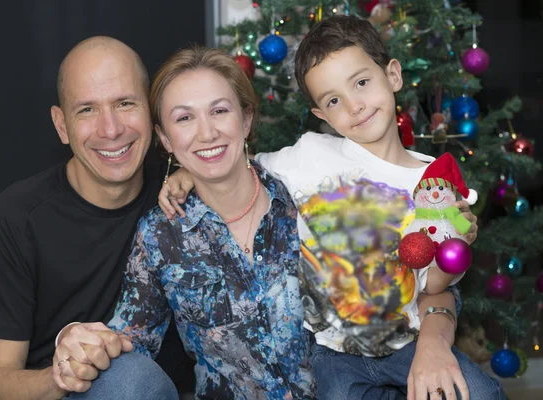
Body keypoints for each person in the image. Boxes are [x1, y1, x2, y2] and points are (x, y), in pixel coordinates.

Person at [159, 16, 503, 400]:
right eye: (334, 100)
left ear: (392, 75)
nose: (354, 106)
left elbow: (437, 289)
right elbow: (236, 167)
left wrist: (452, 249)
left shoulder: (432, 186)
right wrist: (187, 175)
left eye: (361, 82)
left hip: (406, 343)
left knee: (476, 392)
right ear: (322, 115)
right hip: (330, 352)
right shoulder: (309, 155)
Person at [53, 46, 317, 399]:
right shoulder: (161, 234)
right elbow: (130, 342)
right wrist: (73, 339)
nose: (206, 133)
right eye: (184, 119)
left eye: (219, 111)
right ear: (165, 139)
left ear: (246, 119)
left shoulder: (305, 192)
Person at [0, 36, 189, 400]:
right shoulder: (18, 215)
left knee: (129, 379)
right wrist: (62, 377)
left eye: (125, 103)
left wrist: (200, 175)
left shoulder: (182, 194)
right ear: (61, 125)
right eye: (87, 109)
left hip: (142, 390)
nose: (111, 129)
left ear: (151, 109)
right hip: (42, 392)